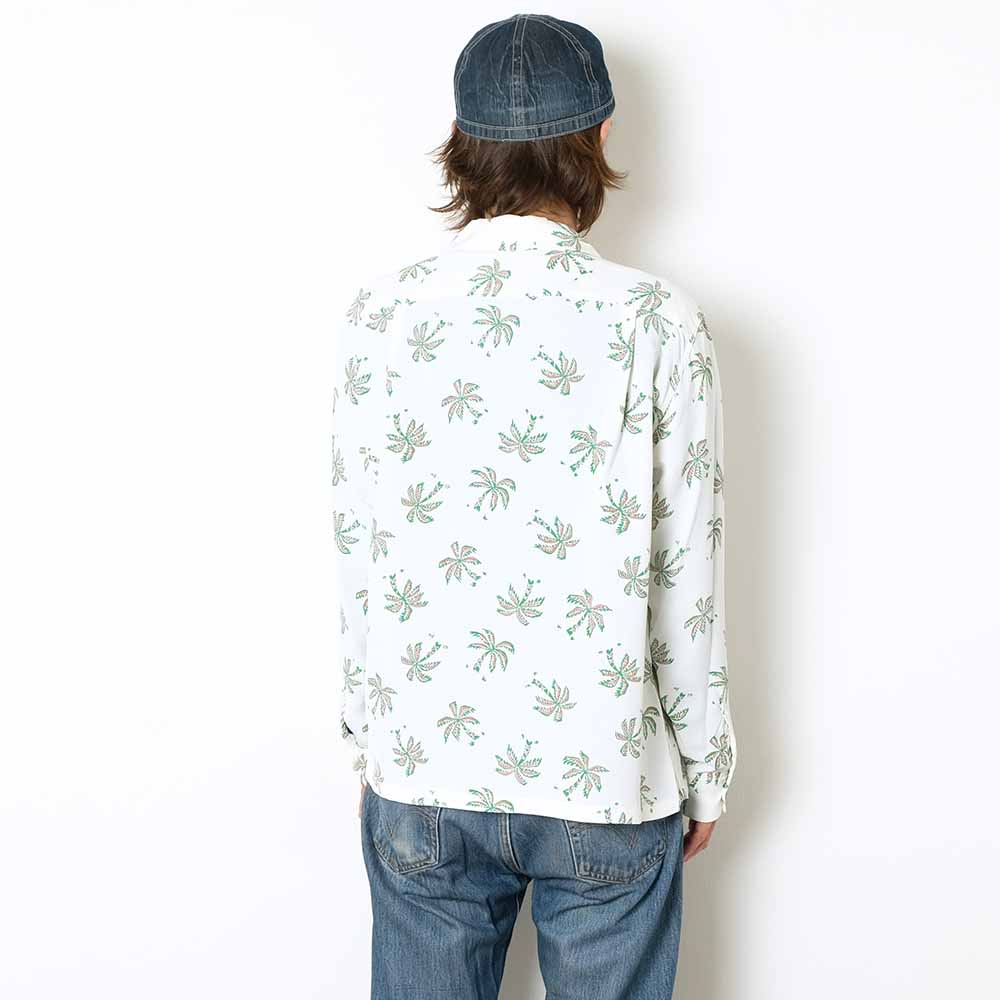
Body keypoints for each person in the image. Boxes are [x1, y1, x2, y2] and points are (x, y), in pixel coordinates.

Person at [332, 15, 736, 999]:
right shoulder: (657, 320)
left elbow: (359, 547)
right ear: (599, 136)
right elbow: (687, 566)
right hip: (606, 768)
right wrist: (703, 765)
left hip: (425, 764)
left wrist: (367, 738)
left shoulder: (384, 316)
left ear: (460, 141)